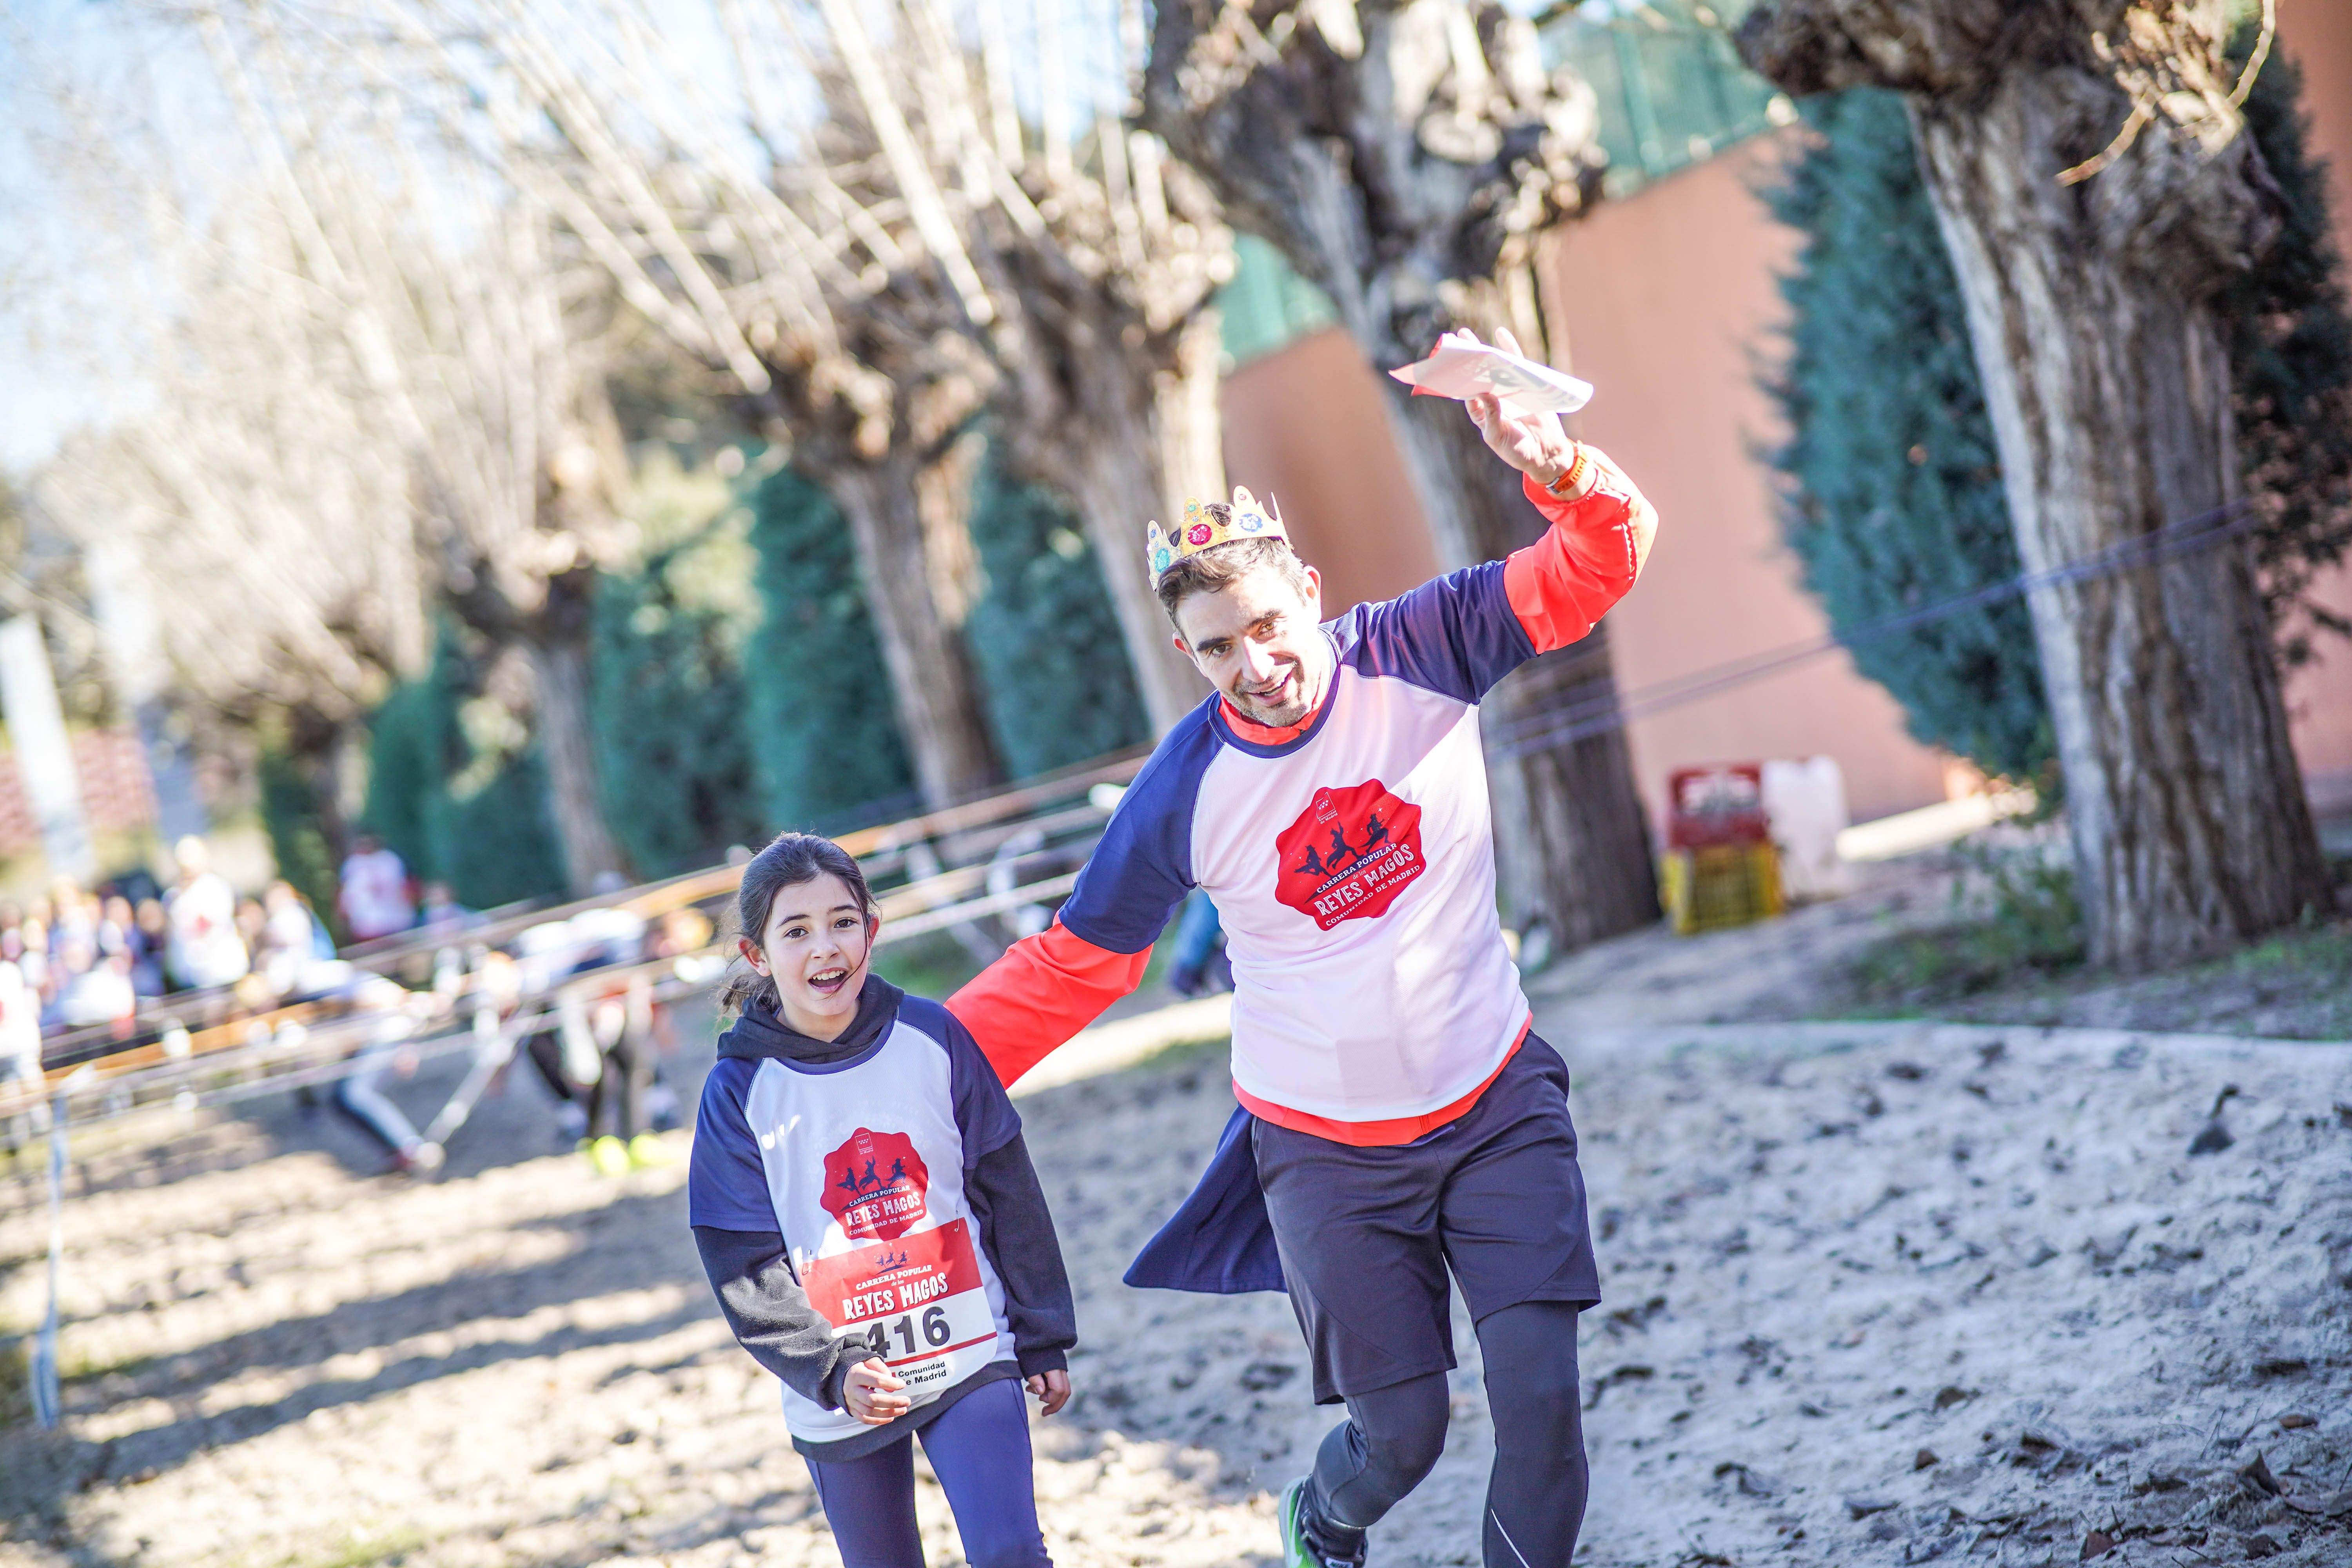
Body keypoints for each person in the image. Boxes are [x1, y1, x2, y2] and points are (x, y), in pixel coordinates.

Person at [944, 328, 1658, 1568]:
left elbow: (1601, 560)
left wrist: (1558, 471)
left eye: (1270, 627)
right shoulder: (1183, 787)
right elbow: (1072, 966)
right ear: (1187, 654)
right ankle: (1322, 1520)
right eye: (1220, 647)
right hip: (1324, 1149)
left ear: (1311, 594)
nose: (1257, 665)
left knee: (1540, 1398)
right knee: (1405, 1434)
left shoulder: (1427, 645)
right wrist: (911, 1076)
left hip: (1492, 1095)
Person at [689, 833, 1074, 1568]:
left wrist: (1042, 1331)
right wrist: (830, 1368)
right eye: (796, 931)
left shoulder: (933, 1036)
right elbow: (742, 1261)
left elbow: (1007, 1190)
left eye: (842, 922)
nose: (824, 947)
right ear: (757, 956)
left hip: (969, 1345)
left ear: (872, 929)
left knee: (1011, 1555)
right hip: (840, 1382)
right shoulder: (738, 1091)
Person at [165, 837, 250, 991]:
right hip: (194, 972)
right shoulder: (175, 893)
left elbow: (208, 923)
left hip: (220, 965)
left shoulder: (214, 887)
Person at [337, 832, 416, 943]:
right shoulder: (353, 864)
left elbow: (407, 888)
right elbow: (346, 896)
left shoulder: (390, 859)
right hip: (366, 924)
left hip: (395, 919)